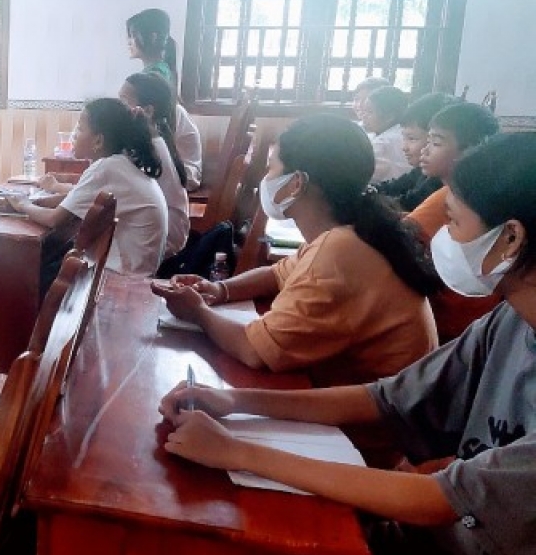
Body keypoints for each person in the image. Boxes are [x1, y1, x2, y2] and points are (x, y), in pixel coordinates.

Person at [157, 132, 536, 555]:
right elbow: (385, 398)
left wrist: (236, 451)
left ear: (511, 239)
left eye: (453, 221)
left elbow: (439, 499)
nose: (442, 237)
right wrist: (234, 399)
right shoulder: (510, 322)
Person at [152, 114, 439, 387]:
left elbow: (254, 350)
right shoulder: (352, 231)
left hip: (366, 431)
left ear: (297, 183)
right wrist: (220, 290)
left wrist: (198, 312)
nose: (265, 179)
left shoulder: (340, 251)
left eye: (272, 168)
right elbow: (277, 273)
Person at [2, 97, 168, 276]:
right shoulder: (122, 163)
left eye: (80, 128)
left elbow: (54, 219)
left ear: (98, 141)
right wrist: (32, 202)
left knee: (27, 271)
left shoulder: (107, 168)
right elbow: (74, 199)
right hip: (137, 269)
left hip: (123, 275)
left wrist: (22, 205)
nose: (74, 134)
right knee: (51, 260)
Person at [407, 101, 502, 341]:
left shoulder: (457, 199)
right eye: (426, 141)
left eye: (436, 143)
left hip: (455, 327)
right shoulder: (445, 191)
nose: (424, 150)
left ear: (471, 150)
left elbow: (403, 235)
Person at [125, 9, 203, 189]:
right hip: (176, 164)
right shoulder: (157, 71)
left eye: (133, 35)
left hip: (180, 170)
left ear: (152, 37)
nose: (128, 42)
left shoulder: (154, 76)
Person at [114, 72, 189, 255]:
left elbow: (110, 192)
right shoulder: (156, 137)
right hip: (168, 233)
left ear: (147, 111)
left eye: (123, 102)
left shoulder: (149, 149)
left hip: (165, 240)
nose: (118, 109)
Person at [375, 93, 456, 212]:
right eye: (404, 138)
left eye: (412, 138)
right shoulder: (421, 172)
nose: (404, 147)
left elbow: (405, 204)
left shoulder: (441, 182)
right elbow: (392, 187)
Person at [362, 85, 412, 182]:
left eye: (370, 112)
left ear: (389, 117)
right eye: (364, 111)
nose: (364, 116)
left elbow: (362, 172)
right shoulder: (397, 131)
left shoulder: (384, 142)